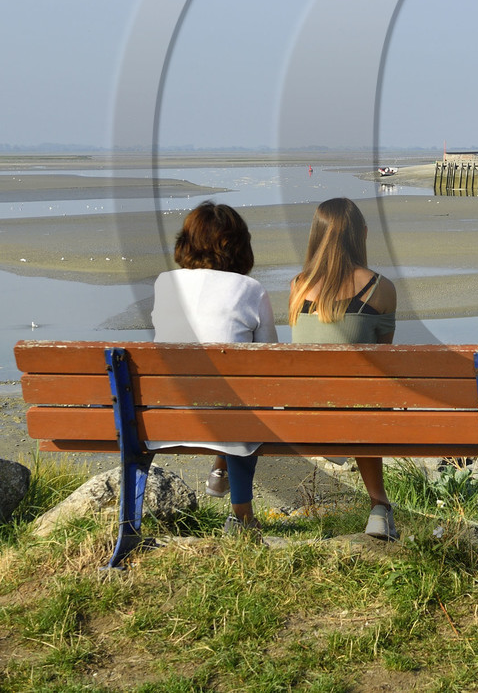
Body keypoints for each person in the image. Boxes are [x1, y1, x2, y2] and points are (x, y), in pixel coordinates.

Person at [152, 201, 274, 532]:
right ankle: (241, 516)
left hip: (164, 414)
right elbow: (269, 361)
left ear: (186, 243)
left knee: (230, 397)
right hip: (229, 419)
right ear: (239, 246)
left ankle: (130, 517)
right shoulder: (251, 290)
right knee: (244, 401)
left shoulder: (164, 283)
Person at [289, 197, 398, 539]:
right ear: (362, 234)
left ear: (315, 236)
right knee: (367, 394)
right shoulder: (380, 289)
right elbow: (384, 357)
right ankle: (378, 506)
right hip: (356, 413)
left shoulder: (297, 287)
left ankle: (240, 512)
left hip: (303, 414)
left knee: (358, 394)